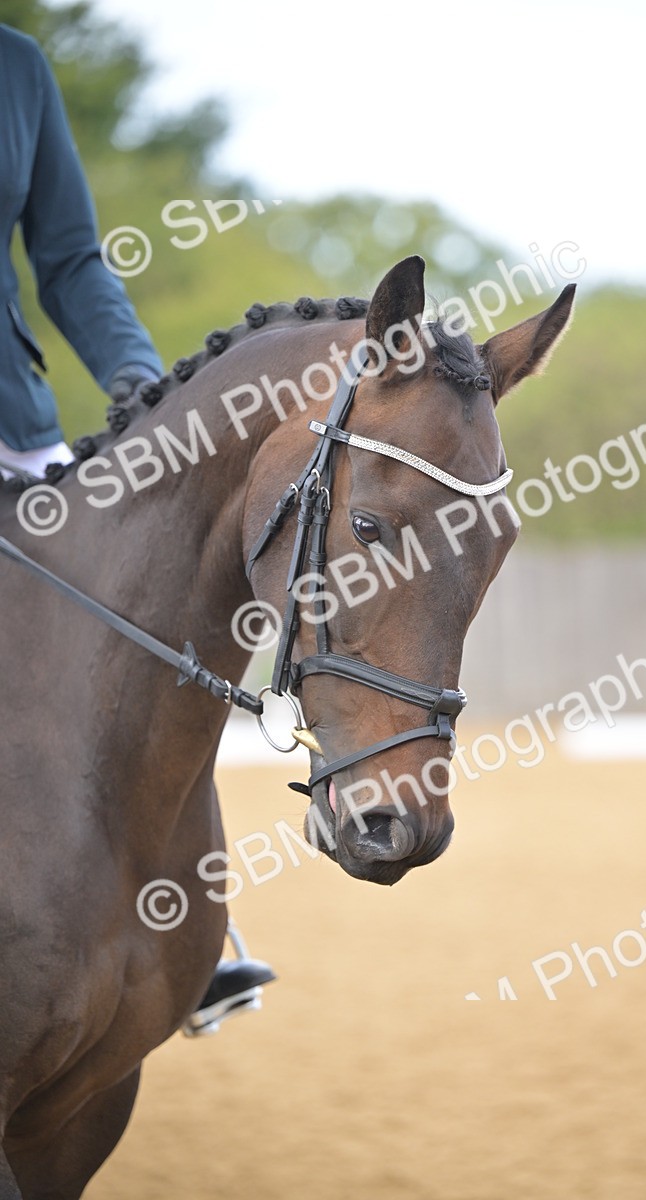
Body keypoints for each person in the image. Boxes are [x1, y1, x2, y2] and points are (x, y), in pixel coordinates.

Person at [0, 23, 275, 1031]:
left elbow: (70, 256)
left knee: (139, 631)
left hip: (14, 423)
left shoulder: (18, 67)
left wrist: (146, 385)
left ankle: (165, 925)